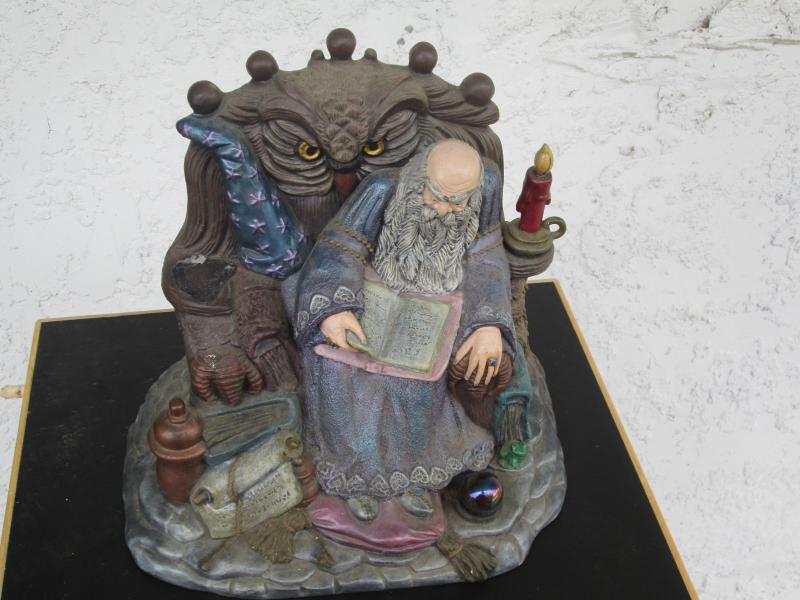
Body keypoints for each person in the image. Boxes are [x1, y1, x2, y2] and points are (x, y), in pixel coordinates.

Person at [283, 139, 515, 521]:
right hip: (369, 292)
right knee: (339, 370)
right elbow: (340, 245)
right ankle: (354, 479)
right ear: (419, 177)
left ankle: (409, 476)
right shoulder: (383, 188)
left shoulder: (487, 185)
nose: (444, 211)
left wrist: (488, 322)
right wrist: (334, 309)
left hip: (435, 304)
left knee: (417, 378)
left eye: (458, 203)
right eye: (436, 196)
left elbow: (487, 254)